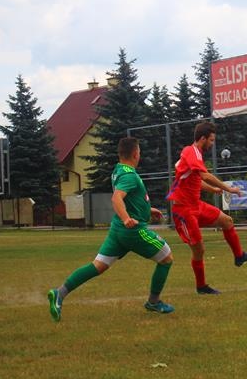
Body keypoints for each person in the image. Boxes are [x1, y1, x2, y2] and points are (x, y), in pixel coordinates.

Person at [47, 137, 175, 322]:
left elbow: (129, 199)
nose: (140, 155)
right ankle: (153, 302)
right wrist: (127, 218)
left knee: (98, 266)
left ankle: (59, 293)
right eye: (139, 152)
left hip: (117, 230)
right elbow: (116, 198)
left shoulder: (118, 170)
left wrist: (148, 209)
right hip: (132, 231)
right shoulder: (130, 175)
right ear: (135, 154)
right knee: (166, 259)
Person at [166, 121, 247, 295]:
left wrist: (213, 189)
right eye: (212, 140)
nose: (213, 144)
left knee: (227, 221)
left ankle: (239, 256)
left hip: (196, 205)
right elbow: (205, 176)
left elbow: (195, 180)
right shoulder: (191, 151)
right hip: (184, 211)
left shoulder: (196, 154)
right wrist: (228, 188)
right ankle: (201, 286)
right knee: (199, 250)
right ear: (203, 138)